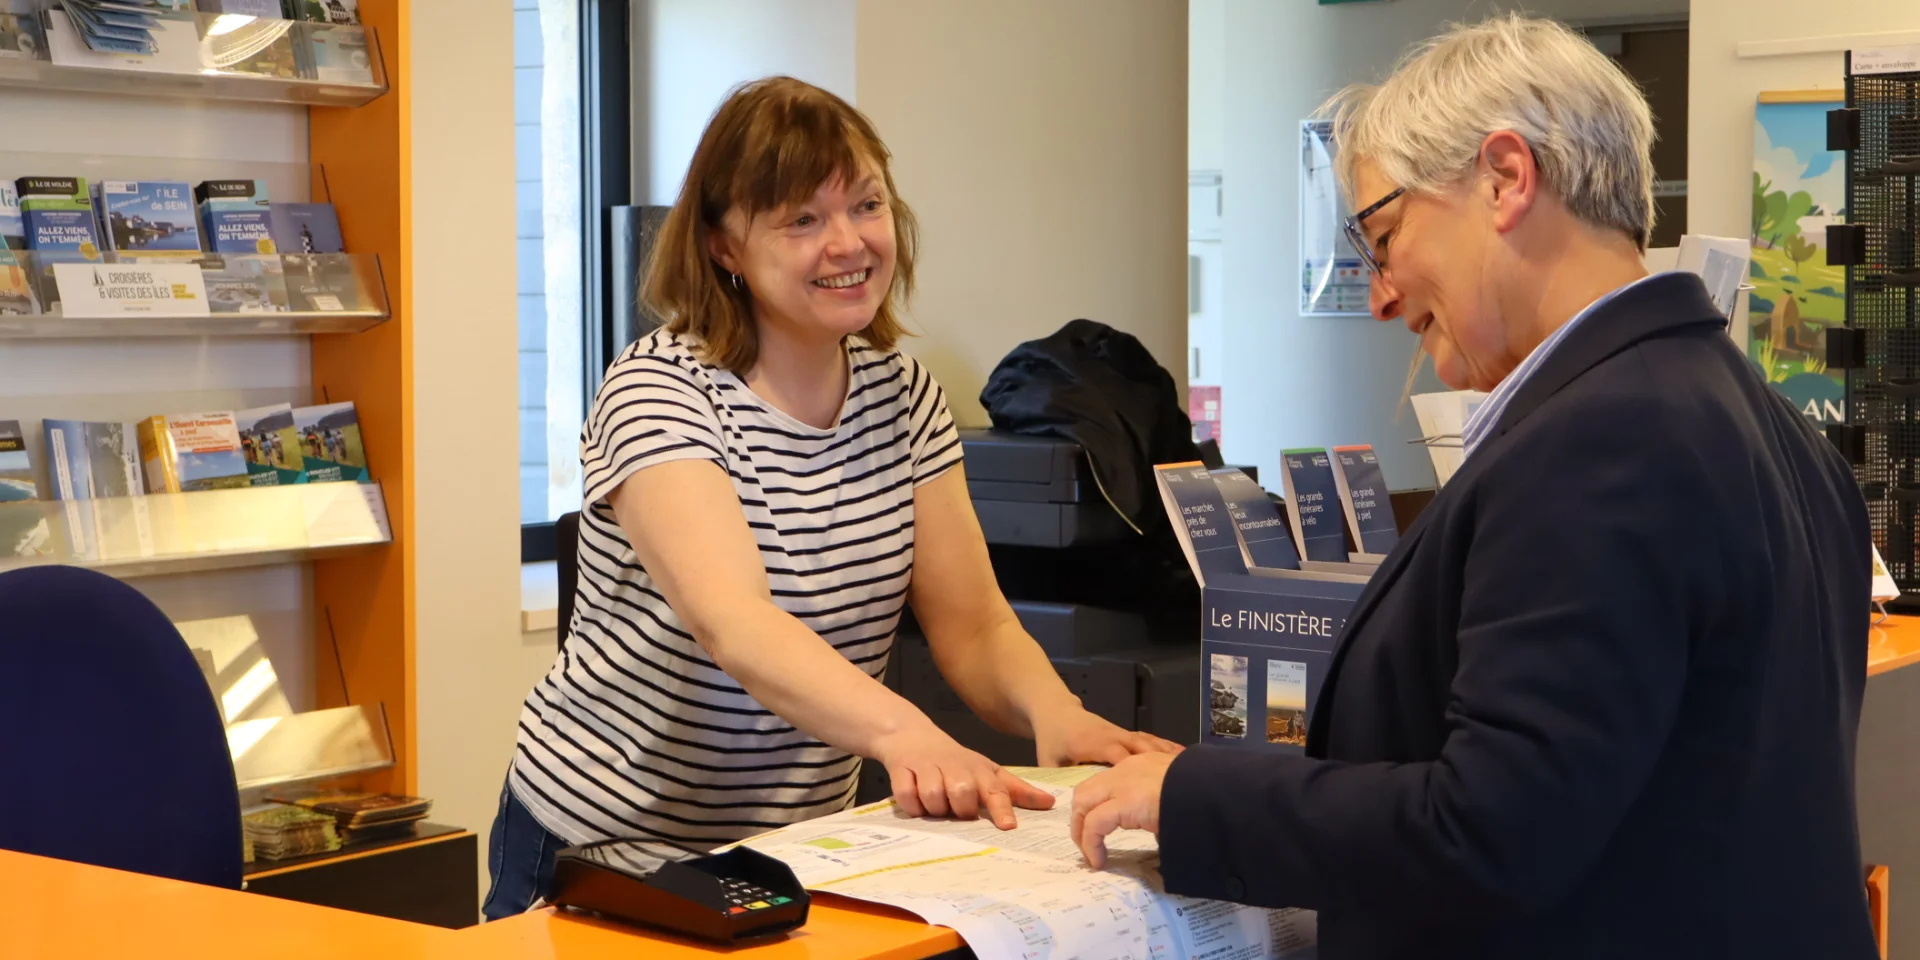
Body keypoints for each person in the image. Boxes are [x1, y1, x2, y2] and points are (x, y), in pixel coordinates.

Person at [1071, 15, 1876, 959]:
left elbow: (1493, 831)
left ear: (1505, 178)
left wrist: (1197, 799)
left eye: (1383, 233)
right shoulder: (1760, 421)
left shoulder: (1600, 444)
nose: (1377, 295)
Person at [485, 76, 1179, 921]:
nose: (848, 243)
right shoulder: (659, 393)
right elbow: (736, 622)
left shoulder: (905, 396)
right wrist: (907, 736)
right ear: (723, 246)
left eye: (866, 205)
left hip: (797, 846)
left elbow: (975, 625)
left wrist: (1055, 715)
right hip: (608, 845)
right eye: (802, 220)